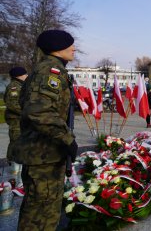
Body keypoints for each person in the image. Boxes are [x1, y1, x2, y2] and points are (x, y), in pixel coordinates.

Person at [12, 29, 78, 231]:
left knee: (39, 208)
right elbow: (38, 111)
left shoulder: (49, 69)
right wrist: (68, 139)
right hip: (43, 155)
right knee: (41, 213)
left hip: (45, 153)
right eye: (70, 45)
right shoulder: (50, 71)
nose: (74, 49)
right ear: (58, 49)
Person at [4, 66, 28, 194]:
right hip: (16, 121)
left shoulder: (21, 85)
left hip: (21, 121)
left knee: (19, 145)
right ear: (19, 75)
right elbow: (13, 104)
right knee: (16, 144)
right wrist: (28, 111)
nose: (27, 75)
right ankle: (15, 175)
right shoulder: (14, 87)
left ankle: (19, 174)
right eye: (25, 74)